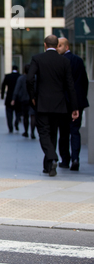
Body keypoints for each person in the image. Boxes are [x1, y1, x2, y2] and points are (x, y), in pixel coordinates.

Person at [26, 35, 78, 177]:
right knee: (53, 134)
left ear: (45, 45)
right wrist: (74, 107)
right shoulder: (64, 61)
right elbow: (70, 85)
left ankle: (52, 157)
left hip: (42, 102)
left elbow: (29, 79)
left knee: (43, 132)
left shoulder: (38, 58)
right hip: (59, 104)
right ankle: (48, 167)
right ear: (56, 46)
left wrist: (32, 97)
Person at [56, 37, 90, 171]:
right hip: (78, 103)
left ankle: (65, 160)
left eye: (59, 46)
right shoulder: (79, 61)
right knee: (75, 131)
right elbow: (84, 82)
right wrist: (80, 99)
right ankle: (75, 158)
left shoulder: (61, 62)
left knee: (63, 132)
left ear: (66, 47)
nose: (57, 48)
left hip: (64, 103)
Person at [11, 64, 36, 139]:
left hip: (24, 99)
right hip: (33, 99)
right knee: (32, 116)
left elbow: (17, 89)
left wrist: (14, 99)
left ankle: (26, 131)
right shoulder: (34, 78)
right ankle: (32, 132)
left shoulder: (21, 78)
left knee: (25, 116)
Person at [1, 66, 21, 133]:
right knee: (18, 112)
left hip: (9, 97)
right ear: (17, 69)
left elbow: (3, 86)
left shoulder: (8, 76)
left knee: (9, 113)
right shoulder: (20, 76)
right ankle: (17, 122)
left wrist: (2, 95)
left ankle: (10, 127)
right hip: (18, 98)